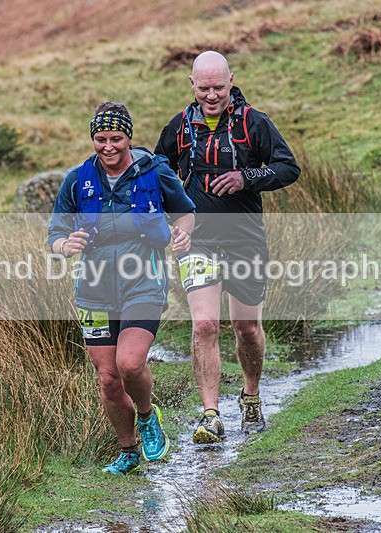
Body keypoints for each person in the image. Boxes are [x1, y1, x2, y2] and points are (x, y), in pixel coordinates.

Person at [155, 51, 300, 443]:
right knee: (204, 325)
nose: (212, 95)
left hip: (245, 239)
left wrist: (246, 177)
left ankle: (250, 397)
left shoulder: (255, 122)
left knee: (247, 328)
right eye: (204, 88)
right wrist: (171, 225)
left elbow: (289, 167)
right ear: (191, 84)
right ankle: (211, 415)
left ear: (231, 81)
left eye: (219, 87)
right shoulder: (181, 127)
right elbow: (157, 175)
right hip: (198, 242)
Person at [48, 102, 195, 474]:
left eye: (116, 138)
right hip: (93, 290)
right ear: (93, 139)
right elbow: (55, 233)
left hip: (143, 283)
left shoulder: (154, 171)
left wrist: (183, 235)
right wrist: (65, 246)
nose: (108, 146)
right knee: (109, 379)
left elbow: (186, 212)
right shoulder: (77, 179)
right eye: (100, 139)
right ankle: (128, 452)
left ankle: (147, 417)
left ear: (129, 137)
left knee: (129, 364)